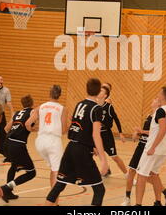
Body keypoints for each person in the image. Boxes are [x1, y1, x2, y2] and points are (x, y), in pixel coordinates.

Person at [45, 78, 108, 206]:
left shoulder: (79, 104)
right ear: (97, 92)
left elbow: (79, 127)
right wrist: (103, 160)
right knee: (99, 190)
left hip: (71, 147)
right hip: (82, 151)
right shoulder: (96, 108)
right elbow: (96, 135)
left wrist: (91, 146)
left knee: (59, 185)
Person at [122, 98, 166, 206]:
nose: (153, 100)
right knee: (134, 172)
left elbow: (159, 131)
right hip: (142, 145)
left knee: (145, 175)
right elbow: (151, 132)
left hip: (149, 148)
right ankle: (128, 198)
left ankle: (159, 198)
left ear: (159, 103)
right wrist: (138, 133)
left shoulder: (160, 114)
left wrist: (142, 132)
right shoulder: (150, 116)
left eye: (156, 99)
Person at [135, 87, 166, 206]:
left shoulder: (161, 111)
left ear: (163, 96)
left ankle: (138, 204)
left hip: (155, 148)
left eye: (159, 93)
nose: (157, 94)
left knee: (141, 175)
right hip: (165, 148)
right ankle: (160, 200)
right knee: (154, 174)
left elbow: (162, 130)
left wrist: (153, 147)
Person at [0, 94, 37, 202]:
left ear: (22, 104)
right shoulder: (32, 112)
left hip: (7, 143)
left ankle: (7, 193)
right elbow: (28, 125)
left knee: (14, 166)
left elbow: (6, 129)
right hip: (17, 144)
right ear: (32, 103)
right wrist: (35, 129)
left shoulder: (17, 113)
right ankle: (7, 188)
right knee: (31, 172)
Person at [34, 85, 68, 193]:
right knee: (58, 172)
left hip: (40, 141)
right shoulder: (62, 108)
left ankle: (52, 198)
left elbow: (28, 123)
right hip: (53, 142)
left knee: (53, 169)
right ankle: (53, 201)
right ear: (60, 95)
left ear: (49, 93)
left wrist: (36, 128)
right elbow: (63, 130)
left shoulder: (40, 107)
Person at [97, 85, 127, 178]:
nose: (99, 91)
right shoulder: (94, 106)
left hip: (106, 135)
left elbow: (116, 119)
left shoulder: (109, 107)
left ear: (105, 95)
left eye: (101, 91)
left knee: (114, 157)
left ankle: (127, 175)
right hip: (97, 135)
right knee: (89, 154)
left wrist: (120, 133)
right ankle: (104, 171)